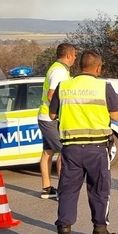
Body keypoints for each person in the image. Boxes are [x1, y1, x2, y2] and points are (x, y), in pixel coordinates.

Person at [49, 50, 118, 234]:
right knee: (99, 190)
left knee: (67, 191)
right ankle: (100, 231)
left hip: (71, 148)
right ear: (98, 68)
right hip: (97, 148)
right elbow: (115, 116)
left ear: (80, 66)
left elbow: (52, 114)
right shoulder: (103, 86)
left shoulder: (64, 86)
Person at [37, 43, 77, 199]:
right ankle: (63, 190)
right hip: (51, 118)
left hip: (45, 117)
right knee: (65, 153)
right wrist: (63, 110)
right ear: (68, 55)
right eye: (74, 55)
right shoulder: (59, 71)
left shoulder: (57, 68)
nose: (75, 58)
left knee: (48, 152)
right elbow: (51, 95)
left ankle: (46, 189)